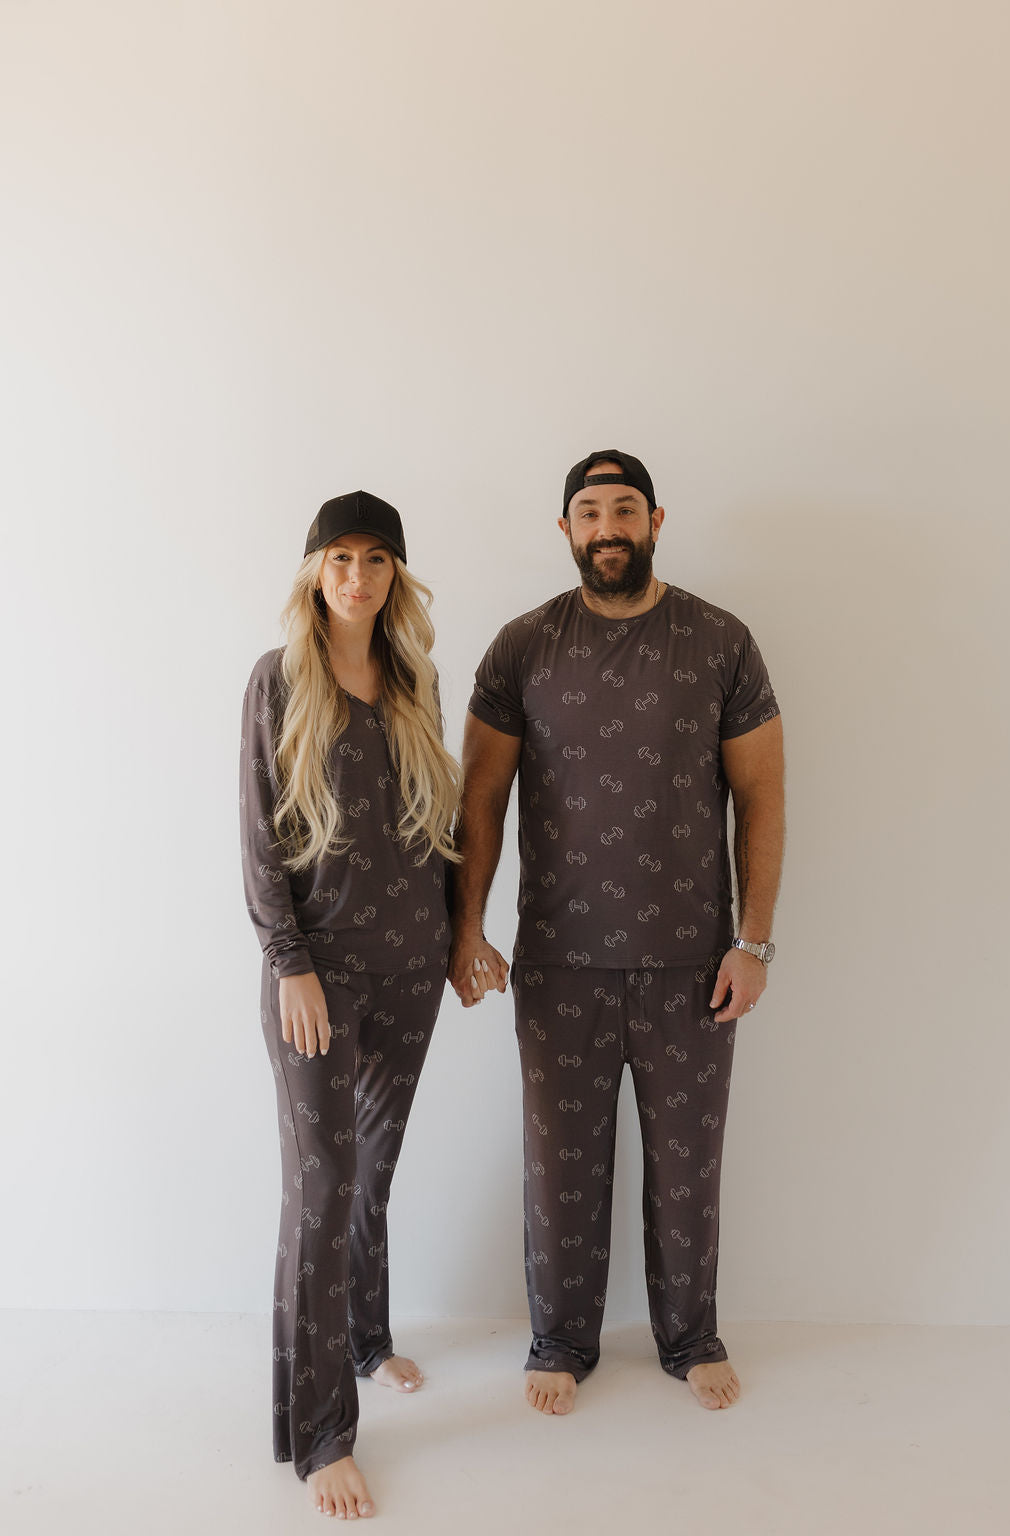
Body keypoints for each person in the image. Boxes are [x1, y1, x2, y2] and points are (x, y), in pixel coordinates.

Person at [449, 449, 784, 1418]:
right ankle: (559, 1340)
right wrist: (464, 929)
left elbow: (759, 794)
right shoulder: (521, 647)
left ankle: (691, 1338)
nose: (608, 527)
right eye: (588, 511)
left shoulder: (719, 640)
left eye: (624, 509)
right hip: (558, 962)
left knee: (688, 1167)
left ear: (655, 521)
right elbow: (482, 797)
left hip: (694, 963)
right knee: (559, 1168)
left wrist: (751, 941)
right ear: (564, 529)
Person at [240, 490, 461, 1518]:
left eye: (376, 560)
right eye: (339, 558)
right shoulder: (277, 682)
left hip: (411, 968)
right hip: (317, 979)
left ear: (396, 577)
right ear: (312, 571)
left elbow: (439, 828)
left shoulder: (413, 682)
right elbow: (258, 836)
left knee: (369, 1174)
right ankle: (320, 1430)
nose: (357, 578)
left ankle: (367, 1342)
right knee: (320, 1191)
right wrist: (289, 962)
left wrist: (463, 938)